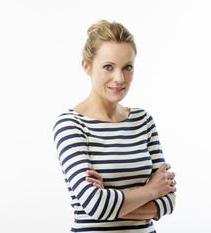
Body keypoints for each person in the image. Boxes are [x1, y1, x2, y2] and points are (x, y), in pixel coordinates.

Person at [53, 20, 177, 232]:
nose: (119, 79)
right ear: (87, 66)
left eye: (127, 67)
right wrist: (150, 190)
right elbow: (94, 204)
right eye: (108, 67)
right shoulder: (71, 124)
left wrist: (110, 205)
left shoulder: (143, 121)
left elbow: (168, 201)